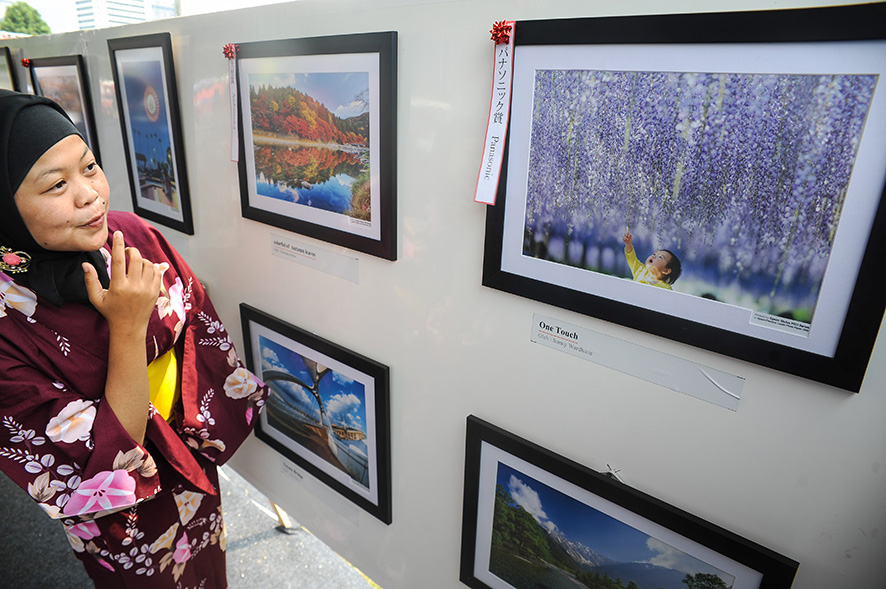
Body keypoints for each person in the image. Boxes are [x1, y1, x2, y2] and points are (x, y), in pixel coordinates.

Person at [0, 90, 268, 587]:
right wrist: (127, 327)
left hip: (187, 453)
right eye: (56, 184)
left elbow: (197, 327)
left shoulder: (130, 234)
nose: (90, 195)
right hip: (120, 517)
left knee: (209, 563)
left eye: (89, 166)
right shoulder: (6, 324)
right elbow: (96, 468)